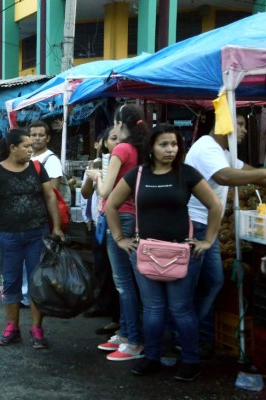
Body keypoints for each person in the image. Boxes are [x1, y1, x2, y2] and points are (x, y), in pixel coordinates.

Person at [105, 124, 222, 381]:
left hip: (181, 252)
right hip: (145, 252)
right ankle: (152, 358)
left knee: (181, 309)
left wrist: (208, 241)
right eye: (164, 144)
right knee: (153, 309)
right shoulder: (137, 175)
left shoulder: (187, 174)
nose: (170, 150)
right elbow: (111, 205)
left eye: (174, 144)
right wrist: (120, 238)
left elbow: (215, 205)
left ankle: (191, 360)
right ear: (151, 147)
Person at [186, 114, 266, 357]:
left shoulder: (223, 150)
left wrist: (262, 177)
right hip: (194, 226)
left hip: (210, 227)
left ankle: (199, 335)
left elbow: (245, 169)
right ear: (223, 123)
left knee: (213, 281)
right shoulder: (206, 147)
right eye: (239, 124)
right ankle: (186, 339)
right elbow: (226, 176)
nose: (243, 130)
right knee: (189, 287)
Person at [0, 129, 65, 349]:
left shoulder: (38, 168)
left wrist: (56, 226)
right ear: (12, 148)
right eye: (26, 145)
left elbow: (50, 197)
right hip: (9, 235)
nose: (31, 149)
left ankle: (37, 328)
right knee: (11, 282)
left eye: (31, 145)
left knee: (36, 281)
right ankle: (12, 327)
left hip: (37, 234)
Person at [86, 103, 148, 361]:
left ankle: (132, 340)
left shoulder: (122, 149)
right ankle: (125, 334)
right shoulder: (139, 149)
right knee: (125, 282)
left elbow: (104, 190)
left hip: (118, 217)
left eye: (114, 123)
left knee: (123, 283)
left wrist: (95, 175)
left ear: (120, 124)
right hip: (132, 216)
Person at [22, 120, 69, 306]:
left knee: (41, 258)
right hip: (29, 217)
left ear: (48, 138)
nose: (37, 138)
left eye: (41, 135)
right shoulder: (28, 157)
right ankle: (28, 293)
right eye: (33, 135)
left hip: (43, 218)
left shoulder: (51, 160)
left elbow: (53, 194)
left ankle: (38, 295)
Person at [81, 128, 120, 335]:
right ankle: (105, 306)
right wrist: (92, 175)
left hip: (117, 224)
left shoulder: (123, 163)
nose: (117, 142)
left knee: (117, 273)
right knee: (101, 268)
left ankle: (117, 317)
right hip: (99, 222)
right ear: (103, 142)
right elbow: (86, 193)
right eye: (113, 138)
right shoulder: (97, 164)